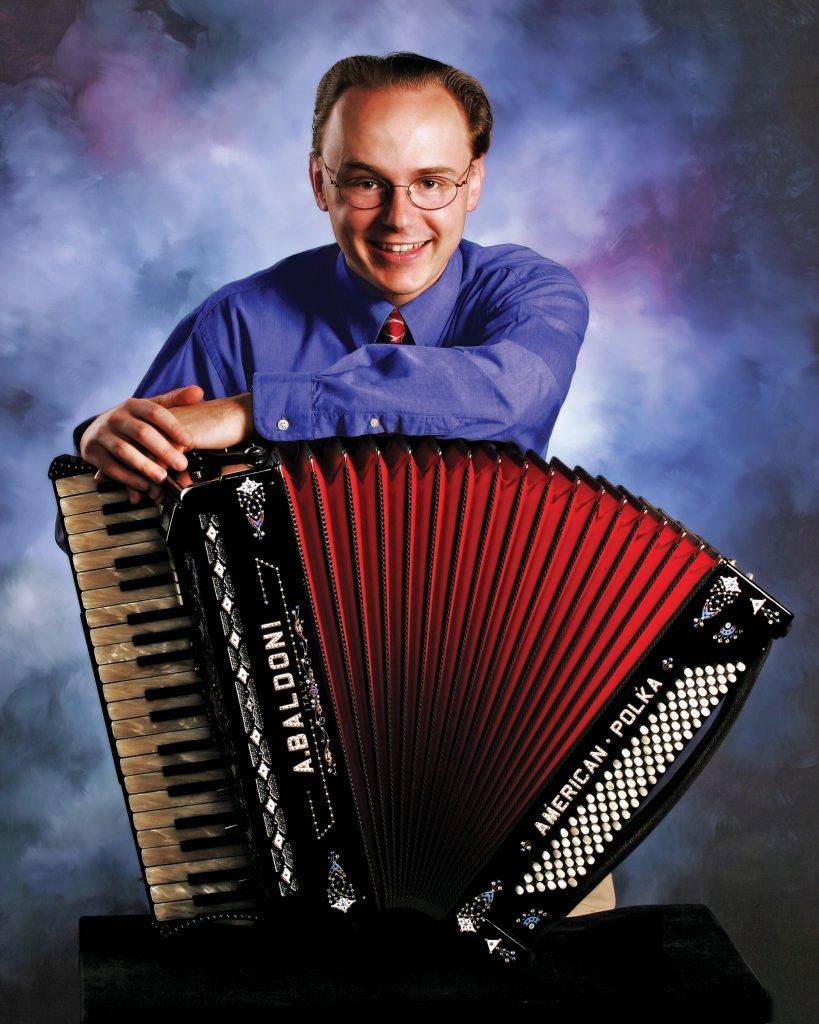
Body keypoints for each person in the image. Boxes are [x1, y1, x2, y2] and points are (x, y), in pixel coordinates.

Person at [66, 51, 614, 918]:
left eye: (431, 181)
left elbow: (511, 389)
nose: (401, 219)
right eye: (364, 182)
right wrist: (103, 447)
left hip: (505, 731)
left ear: (474, 183)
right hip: (283, 743)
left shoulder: (527, 292)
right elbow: (120, 533)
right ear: (318, 182)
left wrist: (254, 412)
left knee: (552, 993)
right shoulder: (235, 321)